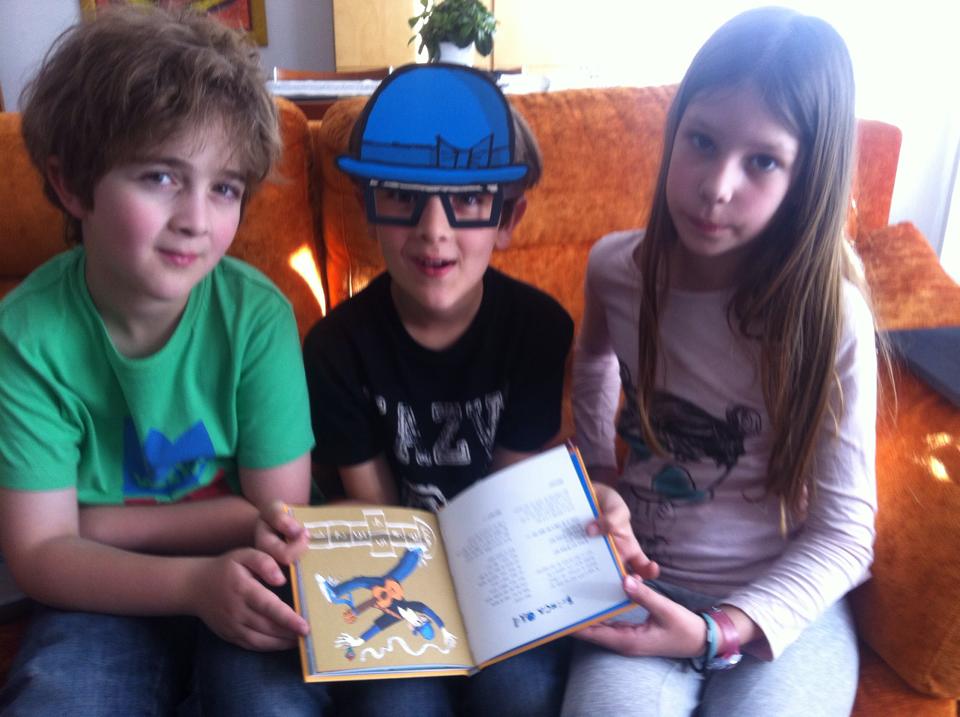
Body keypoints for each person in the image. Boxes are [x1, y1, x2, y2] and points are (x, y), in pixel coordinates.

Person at [0, 6, 330, 715]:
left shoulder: (258, 317)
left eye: (225, 188)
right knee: (63, 699)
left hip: (247, 574)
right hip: (97, 589)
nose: (196, 220)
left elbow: (280, 513)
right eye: (159, 177)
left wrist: (93, 523)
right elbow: (40, 555)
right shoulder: (25, 334)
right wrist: (190, 581)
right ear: (71, 184)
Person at [562, 8, 879, 717]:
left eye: (762, 161)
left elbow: (845, 532)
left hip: (781, 606)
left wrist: (723, 630)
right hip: (646, 584)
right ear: (674, 132)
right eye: (701, 141)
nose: (716, 186)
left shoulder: (832, 319)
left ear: (808, 176)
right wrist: (599, 475)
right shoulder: (616, 268)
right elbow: (594, 364)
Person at [302, 63, 577, 716]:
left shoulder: (540, 329)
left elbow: (508, 504)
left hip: (500, 566)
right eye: (402, 196)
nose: (434, 230)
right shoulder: (335, 347)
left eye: (470, 199)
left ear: (508, 217)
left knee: (524, 692)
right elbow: (380, 516)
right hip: (400, 567)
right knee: (398, 706)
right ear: (368, 207)